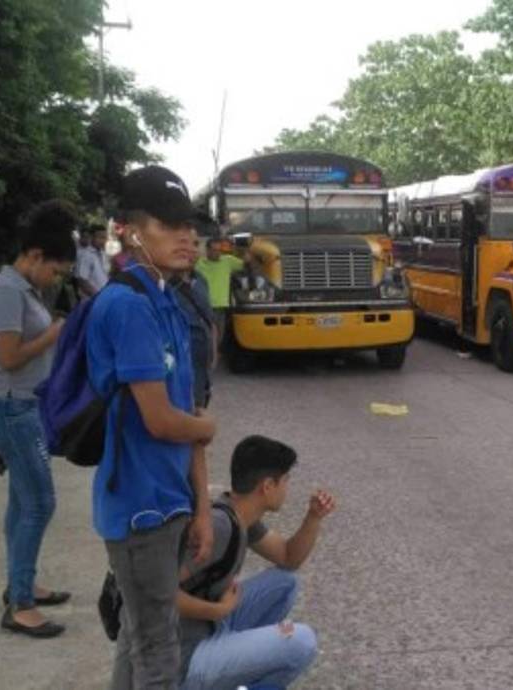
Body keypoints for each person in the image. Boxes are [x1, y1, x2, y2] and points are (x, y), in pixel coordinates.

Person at [87, 165, 217, 689]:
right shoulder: (127, 307)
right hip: (139, 507)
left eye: (189, 225)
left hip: (169, 499)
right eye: (169, 225)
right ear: (130, 232)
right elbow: (164, 421)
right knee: (158, 650)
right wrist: (206, 429)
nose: (187, 237)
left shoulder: (168, 300)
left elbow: (188, 409)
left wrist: (201, 507)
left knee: (139, 638)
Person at [0, 200, 79, 639]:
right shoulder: (6, 291)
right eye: (55, 270)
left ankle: (21, 582)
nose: (56, 278)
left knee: (22, 502)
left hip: (26, 405)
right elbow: (8, 357)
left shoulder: (25, 289)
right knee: (40, 503)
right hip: (12, 408)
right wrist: (53, 334)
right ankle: (20, 605)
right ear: (35, 256)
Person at [178, 435, 331, 690]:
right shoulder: (219, 525)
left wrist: (313, 517)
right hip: (185, 657)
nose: (287, 488)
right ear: (268, 486)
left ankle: (238, 673)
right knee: (302, 641)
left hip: (211, 627)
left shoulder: (239, 515)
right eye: (286, 480)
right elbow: (157, 596)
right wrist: (217, 610)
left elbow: (288, 557)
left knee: (285, 582)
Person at [173, 228, 218, 408]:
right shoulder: (163, 286)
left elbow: (209, 319)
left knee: (201, 405)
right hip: (180, 372)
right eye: (184, 243)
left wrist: (213, 354)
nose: (193, 250)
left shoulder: (201, 280)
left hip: (202, 367)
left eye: (196, 244)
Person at [194, 237, 244, 346]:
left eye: (219, 250)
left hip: (221, 307)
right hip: (204, 307)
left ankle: (214, 354)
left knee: (219, 337)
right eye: (214, 250)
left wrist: (243, 249)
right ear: (207, 250)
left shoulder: (228, 261)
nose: (217, 253)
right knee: (207, 336)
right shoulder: (198, 264)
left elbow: (246, 264)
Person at [77, 223, 111, 298]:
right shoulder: (86, 255)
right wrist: (97, 296)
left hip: (104, 296)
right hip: (92, 299)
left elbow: (106, 275)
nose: (103, 241)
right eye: (100, 237)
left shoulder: (103, 254)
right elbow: (82, 280)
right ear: (92, 237)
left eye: (104, 238)